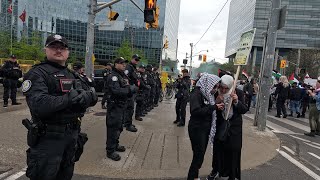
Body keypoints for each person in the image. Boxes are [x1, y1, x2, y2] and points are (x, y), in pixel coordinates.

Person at [22, 34, 98, 180]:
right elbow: (39, 104)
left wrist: (89, 97)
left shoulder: (72, 74)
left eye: (62, 47)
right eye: (53, 47)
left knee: (65, 175)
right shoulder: (37, 73)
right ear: (46, 50)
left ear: (68, 52)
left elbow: (90, 94)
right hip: (48, 139)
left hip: (71, 136)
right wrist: (71, 98)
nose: (58, 50)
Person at [207, 75, 247, 180]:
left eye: (226, 88)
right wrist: (216, 102)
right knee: (218, 150)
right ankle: (216, 170)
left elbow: (244, 110)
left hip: (234, 128)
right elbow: (209, 109)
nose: (224, 90)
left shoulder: (238, 93)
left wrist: (236, 102)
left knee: (233, 151)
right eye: (222, 87)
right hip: (220, 126)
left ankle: (232, 175)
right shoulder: (216, 93)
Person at [187, 73, 223, 180]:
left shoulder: (207, 94)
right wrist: (214, 107)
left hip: (204, 129)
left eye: (217, 87)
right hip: (197, 129)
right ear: (208, 83)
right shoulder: (197, 93)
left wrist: (215, 105)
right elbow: (195, 111)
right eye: (214, 86)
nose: (215, 89)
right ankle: (192, 177)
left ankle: (194, 176)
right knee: (198, 156)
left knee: (199, 155)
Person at [106, 57, 137, 161]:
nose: (124, 65)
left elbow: (126, 86)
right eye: (121, 63)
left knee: (119, 127)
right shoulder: (113, 76)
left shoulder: (122, 75)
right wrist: (129, 89)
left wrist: (130, 88)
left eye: (124, 63)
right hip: (114, 107)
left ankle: (115, 145)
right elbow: (117, 91)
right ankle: (110, 151)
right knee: (113, 128)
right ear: (116, 64)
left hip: (122, 106)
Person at [123, 54, 140, 132]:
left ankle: (127, 123)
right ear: (132, 59)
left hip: (133, 90)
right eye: (136, 59)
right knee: (129, 108)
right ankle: (128, 124)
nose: (137, 61)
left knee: (130, 108)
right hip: (130, 91)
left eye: (138, 60)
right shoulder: (129, 67)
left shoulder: (133, 67)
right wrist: (129, 87)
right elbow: (125, 77)